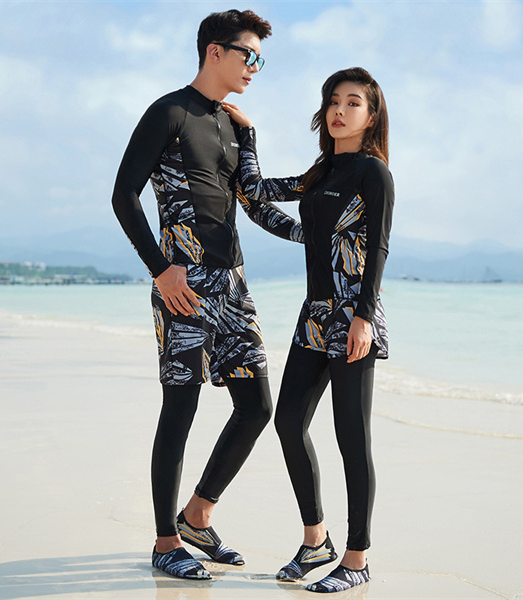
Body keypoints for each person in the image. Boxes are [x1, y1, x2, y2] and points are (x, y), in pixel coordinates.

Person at [111, 10, 303, 581]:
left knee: (256, 407)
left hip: (233, 284)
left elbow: (255, 203)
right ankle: (165, 541)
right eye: (249, 55)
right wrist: (160, 271)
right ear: (215, 51)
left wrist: (315, 235)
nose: (255, 67)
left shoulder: (234, 126)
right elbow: (123, 195)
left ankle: (197, 516)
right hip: (183, 286)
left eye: (261, 59)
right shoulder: (169, 112)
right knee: (181, 407)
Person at [223, 66, 394, 593]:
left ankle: (357, 558)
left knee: (351, 438)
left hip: (353, 317)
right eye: (333, 101)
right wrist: (247, 137)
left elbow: (378, 246)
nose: (340, 110)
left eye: (353, 102)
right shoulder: (318, 175)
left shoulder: (373, 173)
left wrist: (363, 316)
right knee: (288, 422)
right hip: (314, 315)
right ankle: (315, 539)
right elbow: (256, 194)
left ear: (371, 116)